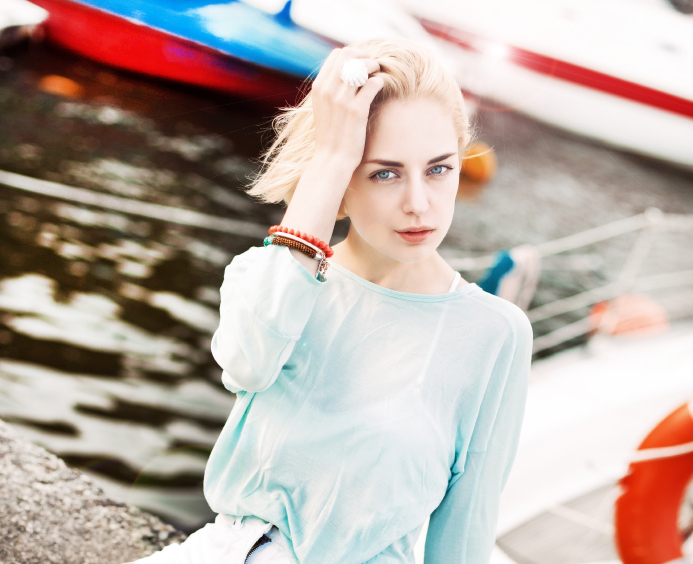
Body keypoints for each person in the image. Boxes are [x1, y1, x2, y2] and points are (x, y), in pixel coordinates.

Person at [130, 37, 533, 564]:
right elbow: (248, 363)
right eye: (384, 173)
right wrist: (332, 153)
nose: (419, 203)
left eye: (439, 169)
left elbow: (463, 536)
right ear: (341, 183)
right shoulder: (269, 277)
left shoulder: (494, 333)